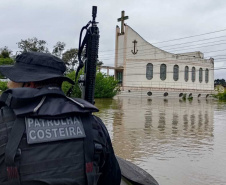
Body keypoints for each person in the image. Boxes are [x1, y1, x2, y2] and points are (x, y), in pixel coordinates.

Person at [0, 52, 121, 185]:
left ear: (29, 84)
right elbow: (112, 180)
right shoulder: (94, 124)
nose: (8, 84)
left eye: (12, 80)